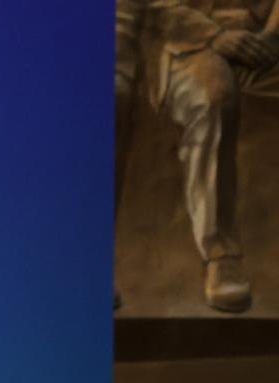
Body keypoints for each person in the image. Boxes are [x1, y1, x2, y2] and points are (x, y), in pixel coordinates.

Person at [116, 0, 279, 312]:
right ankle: (221, 255)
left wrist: (273, 37)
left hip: (262, 41)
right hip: (188, 40)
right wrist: (213, 35)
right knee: (213, 96)